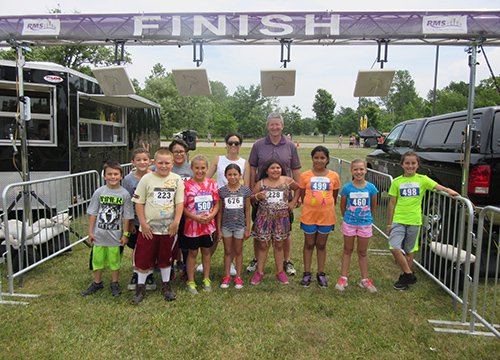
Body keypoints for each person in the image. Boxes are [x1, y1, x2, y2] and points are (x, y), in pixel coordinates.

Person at [387, 151, 459, 291]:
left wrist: (449, 190)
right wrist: (389, 223)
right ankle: (409, 274)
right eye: (407, 163)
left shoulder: (422, 179)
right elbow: (391, 203)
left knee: (410, 250)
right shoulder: (397, 182)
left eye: (413, 163)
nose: (410, 166)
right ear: (402, 165)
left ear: (418, 165)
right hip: (399, 220)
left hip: (415, 220)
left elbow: (438, 187)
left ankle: (405, 279)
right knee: (394, 247)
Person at [247, 112, 301, 276]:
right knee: (259, 229)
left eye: (278, 124)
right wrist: (252, 190)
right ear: (267, 126)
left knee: (284, 231)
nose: (275, 127)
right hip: (262, 195)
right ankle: (257, 260)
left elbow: (296, 169)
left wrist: (295, 198)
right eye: (272, 124)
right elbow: (252, 167)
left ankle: (286, 261)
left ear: (282, 126)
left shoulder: (290, 145)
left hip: (284, 196)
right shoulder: (258, 145)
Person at [130, 148, 184, 304]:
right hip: (148, 229)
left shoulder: (177, 180)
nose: (164, 166)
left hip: (168, 229)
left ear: (172, 164)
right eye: (160, 163)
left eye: (167, 163)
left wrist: (176, 222)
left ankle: (166, 286)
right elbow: (139, 203)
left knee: (166, 258)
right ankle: (140, 288)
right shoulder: (147, 179)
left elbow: (179, 202)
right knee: (143, 259)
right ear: (154, 163)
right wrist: (143, 223)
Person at [81, 161, 134, 297]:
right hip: (99, 235)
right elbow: (93, 213)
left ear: (121, 176)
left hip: (115, 236)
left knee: (114, 262)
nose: (113, 177)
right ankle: (97, 282)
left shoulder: (125, 194)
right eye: (109, 174)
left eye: (116, 174)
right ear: (104, 176)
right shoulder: (99, 192)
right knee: (97, 261)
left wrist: (125, 234)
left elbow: (127, 217)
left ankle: (114, 283)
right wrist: (90, 232)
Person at [250, 159, 300, 285]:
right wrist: (257, 197)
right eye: (272, 168)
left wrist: (293, 202)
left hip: (281, 218)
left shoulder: (287, 180)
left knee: (279, 244)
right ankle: (259, 272)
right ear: (266, 170)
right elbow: (251, 198)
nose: (275, 170)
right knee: (263, 244)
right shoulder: (261, 183)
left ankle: (280, 271)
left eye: (278, 167)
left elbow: (299, 188)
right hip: (264, 218)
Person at [206, 132, 250, 276]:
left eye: (236, 143)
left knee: (235, 236)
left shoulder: (244, 163)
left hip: (236, 205)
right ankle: (206, 260)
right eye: (230, 143)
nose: (233, 145)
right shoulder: (218, 159)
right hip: (218, 201)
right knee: (215, 234)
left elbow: (247, 186)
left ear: (240, 145)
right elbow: (206, 178)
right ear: (226, 144)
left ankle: (231, 263)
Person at [299, 146, 340, 288]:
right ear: (312, 159)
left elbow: (334, 195)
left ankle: (321, 273)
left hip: (326, 217)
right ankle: (307, 273)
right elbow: (303, 194)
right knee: (309, 244)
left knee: (321, 245)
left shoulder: (333, 176)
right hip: (309, 216)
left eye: (322, 157)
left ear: (327, 159)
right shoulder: (305, 176)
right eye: (316, 157)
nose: (319, 160)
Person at [336, 159, 379, 293]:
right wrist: (347, 218)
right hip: (350, 223)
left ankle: (365, 279)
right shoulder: (347, 188)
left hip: (365, 224)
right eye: (356, 169)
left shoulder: (371, 188)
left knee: (362, 252)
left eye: (361, 169)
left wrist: (368, 219)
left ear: (366, 170)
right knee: (347, 249)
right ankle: (343, 277)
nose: (359, 172)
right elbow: (342, 206)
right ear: (351, 171)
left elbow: (374, 205)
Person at [183, 155, 220, 294]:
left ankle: (206, 278)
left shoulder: (212, 184)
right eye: (197, 168)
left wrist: (211, 215)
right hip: (192, 227)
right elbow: (183, 208)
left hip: (208, 226)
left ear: (207, 168)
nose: (200, 171)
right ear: (192, 168)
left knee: (206, 252)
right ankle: (191, 281)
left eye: (203, 168)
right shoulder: (186, 186)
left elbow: (216, 203)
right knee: (192, 253)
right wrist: (195, 218)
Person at [121, 147, 155, 291]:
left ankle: (150, 273)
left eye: (145, 159)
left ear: (150, 161)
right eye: (138, 160)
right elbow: (127, 202)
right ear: (132, 162)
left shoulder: (155, 176)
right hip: (135, 221)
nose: (142, 162)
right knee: (137, 249)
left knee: (151, 248)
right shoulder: (128, 180)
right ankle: (136, 273)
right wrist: (129, 223)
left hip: (152, 221)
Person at [217, 164, 252, 289]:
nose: (232, 177)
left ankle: (238, 276)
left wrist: (248, 228)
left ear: (240, 175)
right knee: (227, 251)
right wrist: (219, 229)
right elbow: (220, 211)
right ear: (225, 176)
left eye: (235, 174)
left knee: (238, 251)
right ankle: (226, 276)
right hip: (226, 226)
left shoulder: (245, 191)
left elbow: (247, 210)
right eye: (229, 174)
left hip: (240, 226)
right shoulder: (221, 191)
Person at [169, 138, 194, 279]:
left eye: (181, 152)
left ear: (186, 153)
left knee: (185, 240)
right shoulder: (167, 167)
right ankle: (170, 267)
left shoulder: (191, 168)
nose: (179, 154)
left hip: (188, 211)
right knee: (171, 240)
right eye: (176, 152)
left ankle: (185, 267)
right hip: (169, 210)